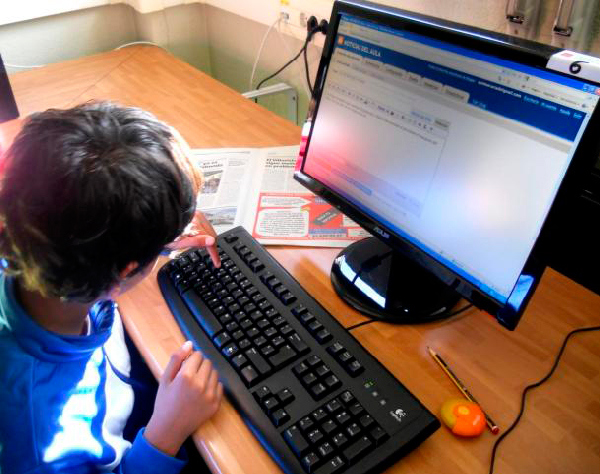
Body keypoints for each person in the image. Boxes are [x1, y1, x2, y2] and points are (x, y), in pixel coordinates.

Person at [0, 102, 223, 474]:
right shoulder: (41, 443)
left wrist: (152, 239)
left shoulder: (28, 240)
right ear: (121, 275)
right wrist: (166, 433)